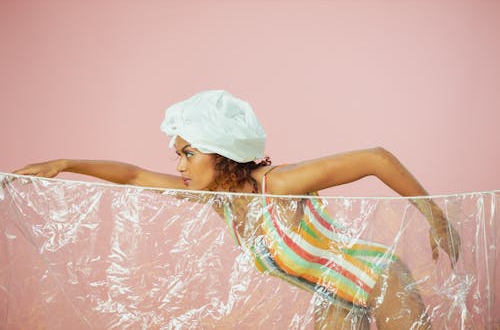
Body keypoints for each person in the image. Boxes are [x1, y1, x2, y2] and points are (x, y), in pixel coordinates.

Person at [13, 90, 460, 329]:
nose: (179, 165)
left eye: (189, 153)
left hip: (379, 279)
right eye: (179, 154)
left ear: (222, 153)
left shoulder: (279, 185)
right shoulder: (219, 200)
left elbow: (376, 158)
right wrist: (65, 164)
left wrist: (436, 218)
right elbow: (132, 176)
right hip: (338, 295)